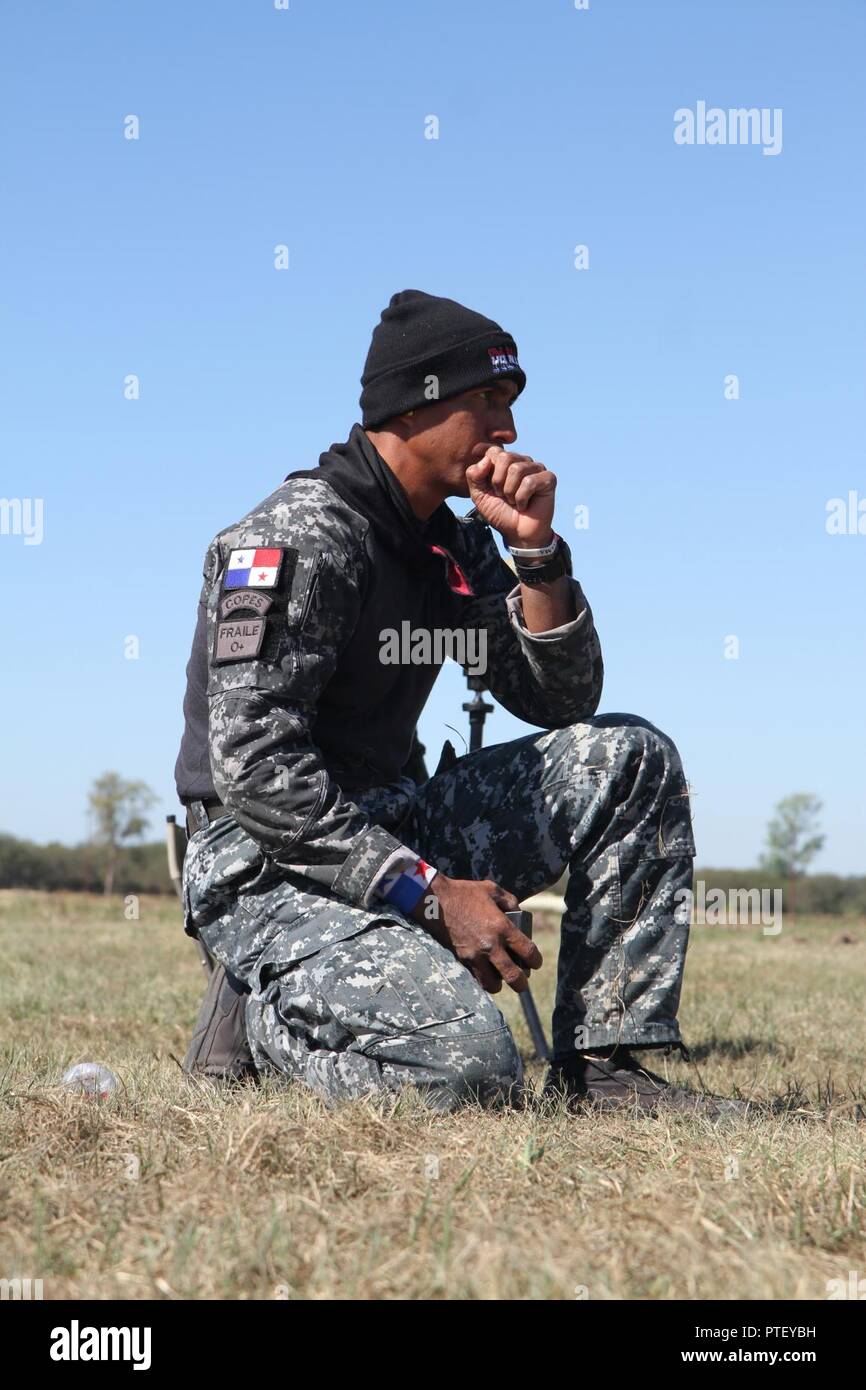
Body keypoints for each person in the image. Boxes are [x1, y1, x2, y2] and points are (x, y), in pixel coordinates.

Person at [174, 288, 742, 1118]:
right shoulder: (293, 538)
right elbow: (257, 775)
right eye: (488, 404)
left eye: (511, 406)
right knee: (468, 1071)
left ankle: (605, 1070)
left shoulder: (452, 543)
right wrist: (432, 896)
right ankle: (264, 1015)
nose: (508, 432)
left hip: (394, 826)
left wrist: (537, 554)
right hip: (264, 858)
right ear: (417, 403)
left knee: (630, 757)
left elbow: (560, 700)